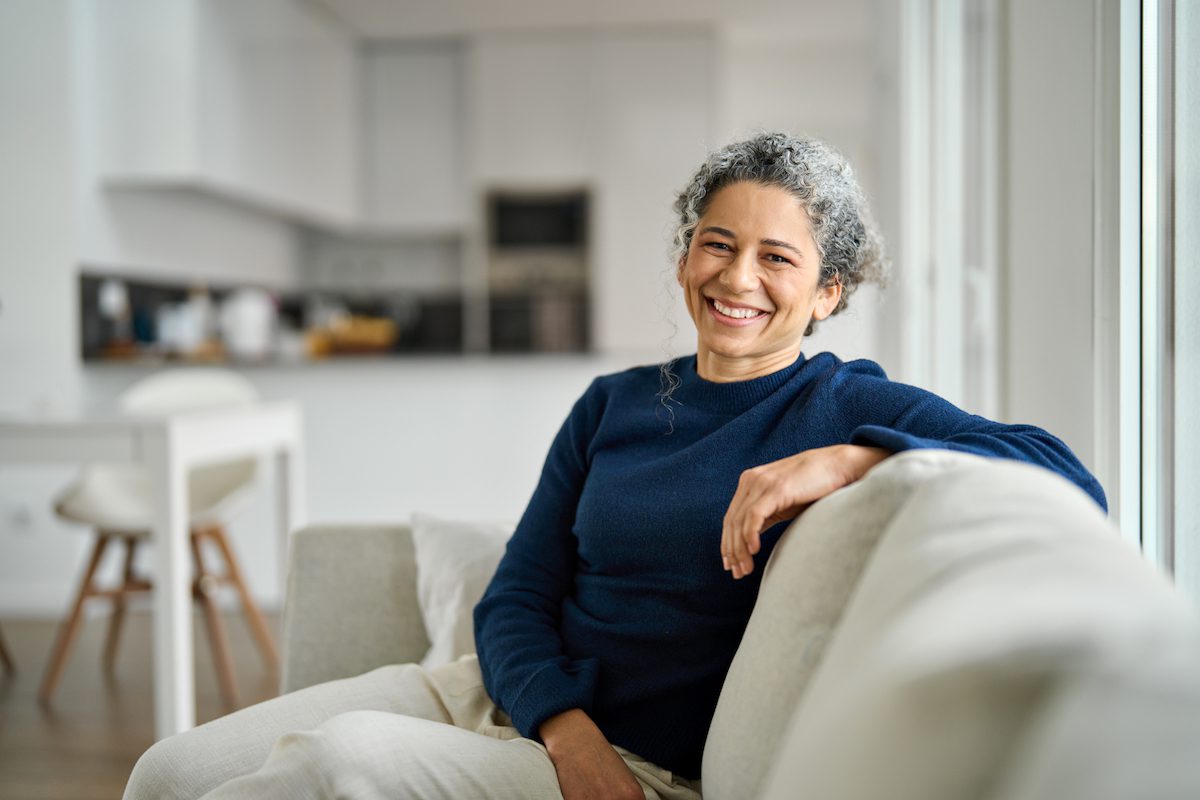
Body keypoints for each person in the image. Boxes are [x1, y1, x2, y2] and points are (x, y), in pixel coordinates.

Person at [124, 133, 1105, 800]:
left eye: (778, 259)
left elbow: (1065, 473)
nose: (737, 277)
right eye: (717, 244)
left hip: (637, 759)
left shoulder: (843, 402)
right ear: (685, 256)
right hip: (504, 698)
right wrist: (563, 725)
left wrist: (849, 458)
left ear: (830, 291)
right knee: (170, 770)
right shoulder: (617, 402)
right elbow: (516, 591)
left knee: (334, 764)